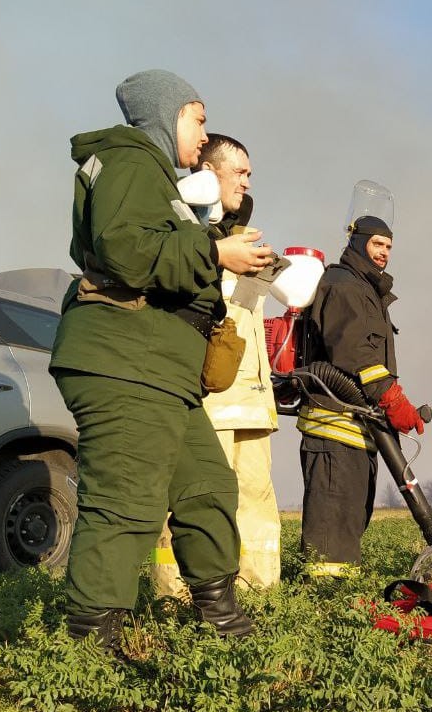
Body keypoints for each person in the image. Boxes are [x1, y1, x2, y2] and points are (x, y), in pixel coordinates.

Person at [50, 70, 272, 646]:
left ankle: (221, 618)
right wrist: (214, 251)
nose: (204, 134)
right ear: (166, 113)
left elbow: (155, 248)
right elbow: (126, 250)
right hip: (125, 357)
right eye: (198, 118)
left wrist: (219, 245)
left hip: (158, 368)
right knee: (126, 497)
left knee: (206, 485)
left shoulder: (158, 177)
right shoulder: (130, 162)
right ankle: (92, 647)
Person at [151, 134, 283, 599]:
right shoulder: (181, 229)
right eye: (240, 172)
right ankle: (176, 596)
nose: (247, 182)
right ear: (209, 172)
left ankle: (260, 595)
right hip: (206, 400)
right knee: (194, 500)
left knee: (256, 502)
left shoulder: (246, 238)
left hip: (251, 398)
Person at [296, 215, 426, 576]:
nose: (383, 253)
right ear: (357, 242)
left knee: (350, 520)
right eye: (377, 244)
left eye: (388, 247)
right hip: (333, 427)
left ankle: (340, 597)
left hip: (357, 426)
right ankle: (325, 605)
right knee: (331, 530)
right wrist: (393, 398)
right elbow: (354, 351)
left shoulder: (367, 290)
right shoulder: (344, 284)